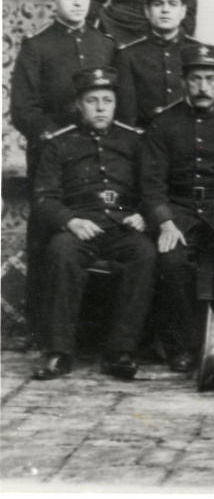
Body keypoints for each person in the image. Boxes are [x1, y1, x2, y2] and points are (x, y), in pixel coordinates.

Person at [10, 0, 117, 346]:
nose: (77, 2)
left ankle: (94, 331)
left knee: (102, 235)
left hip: (99, 157)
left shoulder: (105, 44)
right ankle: (42, 331)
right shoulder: (37, 47)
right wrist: (55, 138)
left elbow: (116, 103)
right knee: (49, 241)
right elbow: (23, 109)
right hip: (53, 157)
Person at [141, 44, 214, 372]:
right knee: (171, 260)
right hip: (179, 210)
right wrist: (165, 222)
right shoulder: (163, 123)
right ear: (183, 81)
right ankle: (182, 347)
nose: (203, 87)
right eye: (195, 79)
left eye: (210, 78)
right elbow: (152, 184)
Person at [32, 67, 155, 381]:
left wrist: (143, 214)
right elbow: (44, 196)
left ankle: (121, 351)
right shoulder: (59, 144)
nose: (100, 108)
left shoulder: (135, 141)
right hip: (80, 225)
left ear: (115, 104)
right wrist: (70, 221)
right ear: (78, 104)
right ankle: (59, 352)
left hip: (123, 226)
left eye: (107, 100)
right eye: (92, 101)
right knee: (61, 251)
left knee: (143, 253)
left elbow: (152, 188)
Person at [115, 0, 202, 128]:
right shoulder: (129, 55)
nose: (165, 10)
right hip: (146, 136)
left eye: (172, 4)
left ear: (183, 11)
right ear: (147, 11)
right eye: (158, 4)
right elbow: (127, 116)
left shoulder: (197, 52)